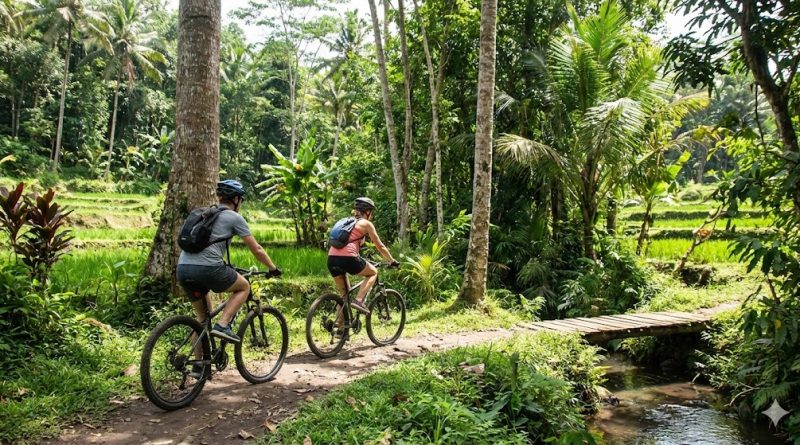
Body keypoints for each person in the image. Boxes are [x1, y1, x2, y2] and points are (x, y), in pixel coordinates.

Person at [176, 180, 281, 344]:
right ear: (236, 199)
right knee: (244, 286)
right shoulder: (234, 217)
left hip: (182, 268)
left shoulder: (204, 213)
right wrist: (273, 268)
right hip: (208, 269)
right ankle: (223, 325)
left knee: (202, 319)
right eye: (241, 200)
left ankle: (199, 367)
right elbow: (257, 249)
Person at [327, 197, 399, 315]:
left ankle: (340, 330)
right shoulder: (366, 224)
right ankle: (359, 300)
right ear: (367, 211)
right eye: (371, 212)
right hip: (348, 259)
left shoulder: (345, 222)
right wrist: (391, 260)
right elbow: (380, 246)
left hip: (331, 259)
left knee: (344, 297)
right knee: (373, 272)